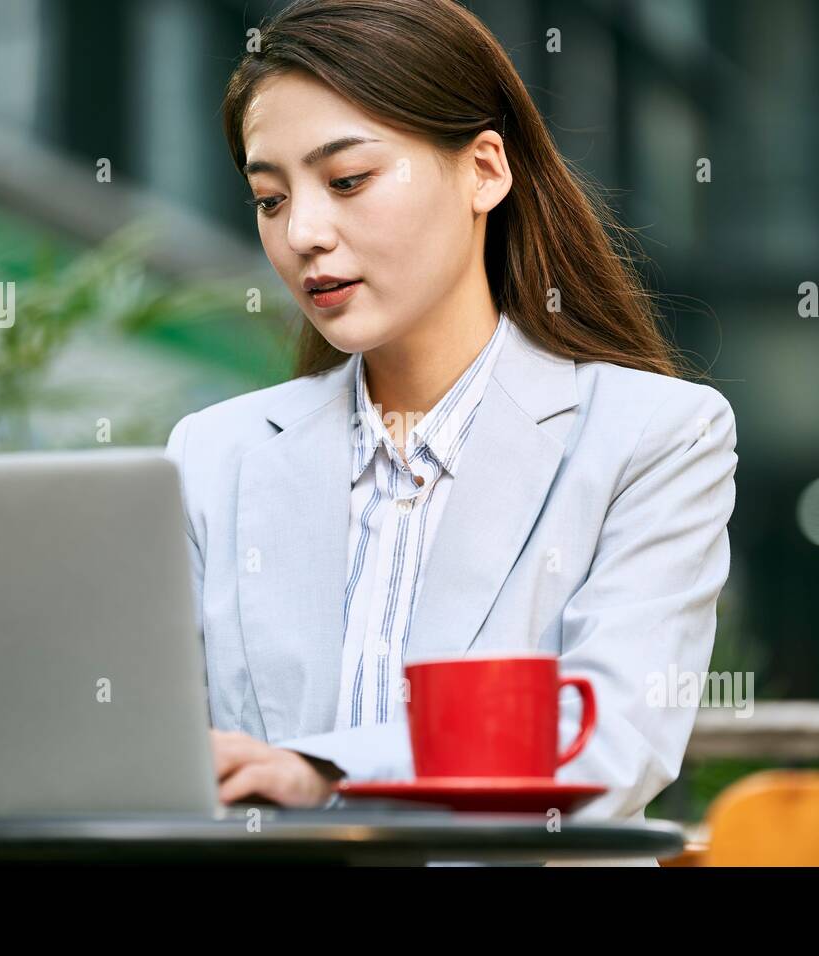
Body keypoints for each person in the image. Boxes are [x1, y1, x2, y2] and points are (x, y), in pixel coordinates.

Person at [164, 0, 738, 832]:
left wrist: (323, 774)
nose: (304, 234)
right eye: (269, 199)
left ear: (485, 171)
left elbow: (607, 744)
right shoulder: (214, 456)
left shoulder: (654, 437)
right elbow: (152, 748)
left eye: (348, 180)